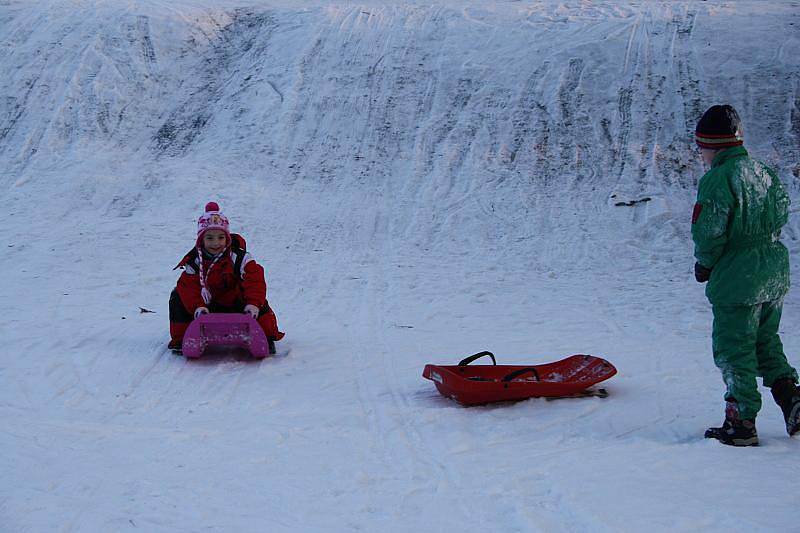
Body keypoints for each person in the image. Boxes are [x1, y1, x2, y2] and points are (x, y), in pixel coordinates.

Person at [692, 104, 800, 446]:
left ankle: (741, 422)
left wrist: (705, 263)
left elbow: (709, 230)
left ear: (713, 146)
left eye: (701, 148)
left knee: (734, 347)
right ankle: (792, 398)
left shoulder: (718, 179)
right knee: (765, 341)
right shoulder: (763, 171)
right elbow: (781, 210)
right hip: (773, 271)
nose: (702, 156)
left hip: (739, 279)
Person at [169, 202, 284, 354]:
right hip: (207, 307)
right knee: (178, 295)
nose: (215, 243)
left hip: (237, 304)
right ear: (201, 240)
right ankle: (183, 338)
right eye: (209, 238)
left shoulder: (239, 258)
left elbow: (255, 280)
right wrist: (197, 306)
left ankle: (267, 336)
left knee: (258, 299)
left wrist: (253, 304)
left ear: (227, 238)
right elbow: (189, 287)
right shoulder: (195, 262)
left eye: (220, 237)